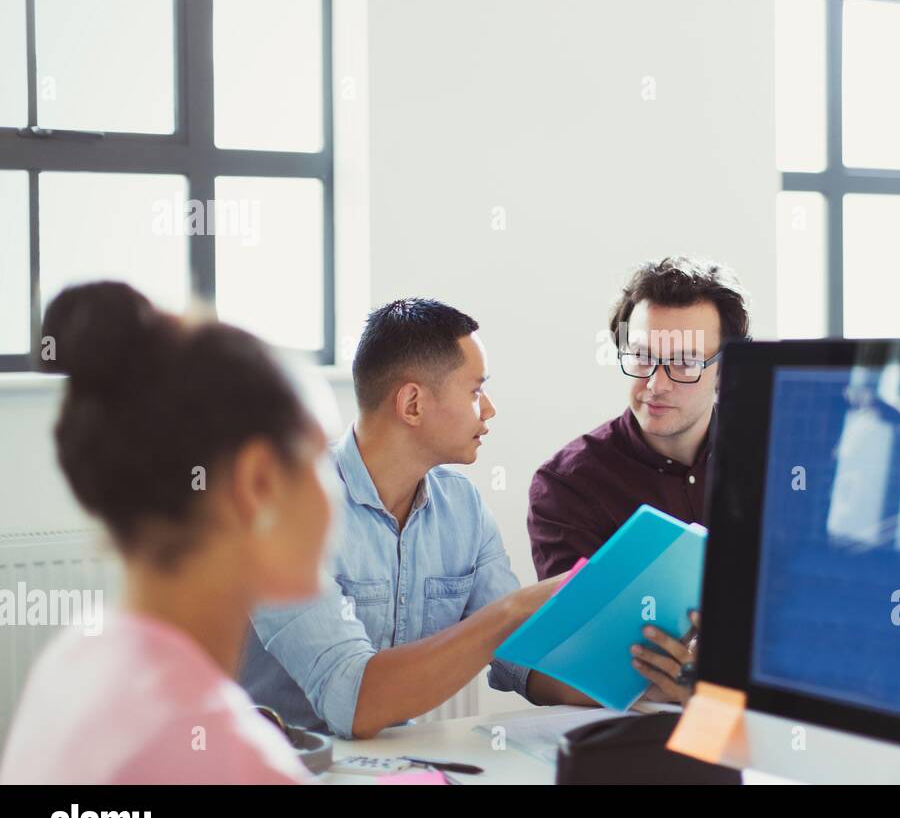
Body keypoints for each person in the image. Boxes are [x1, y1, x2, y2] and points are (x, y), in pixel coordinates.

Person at [0, 282, 328, 784]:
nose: (336, 497)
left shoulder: (75, 658)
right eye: (320, 464)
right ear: (257, 483)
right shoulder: (233, 759)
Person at [239, 298, 586, 739]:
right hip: (281, 766)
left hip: (386, 765)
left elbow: (520, 658)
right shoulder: (289, 509)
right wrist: (514, 608)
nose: (489, 409)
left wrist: (637, 678)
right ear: (413, 404)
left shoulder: (464, 507)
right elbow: (352, 702)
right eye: (476, 391)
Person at [527, 256, 750, 701]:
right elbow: (579, 650)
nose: (655, 384)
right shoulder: (567, 485)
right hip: (631, 727)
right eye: (643, 356)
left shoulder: (771, 459)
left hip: (766, 716)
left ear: (725, 369)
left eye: (684, 363)